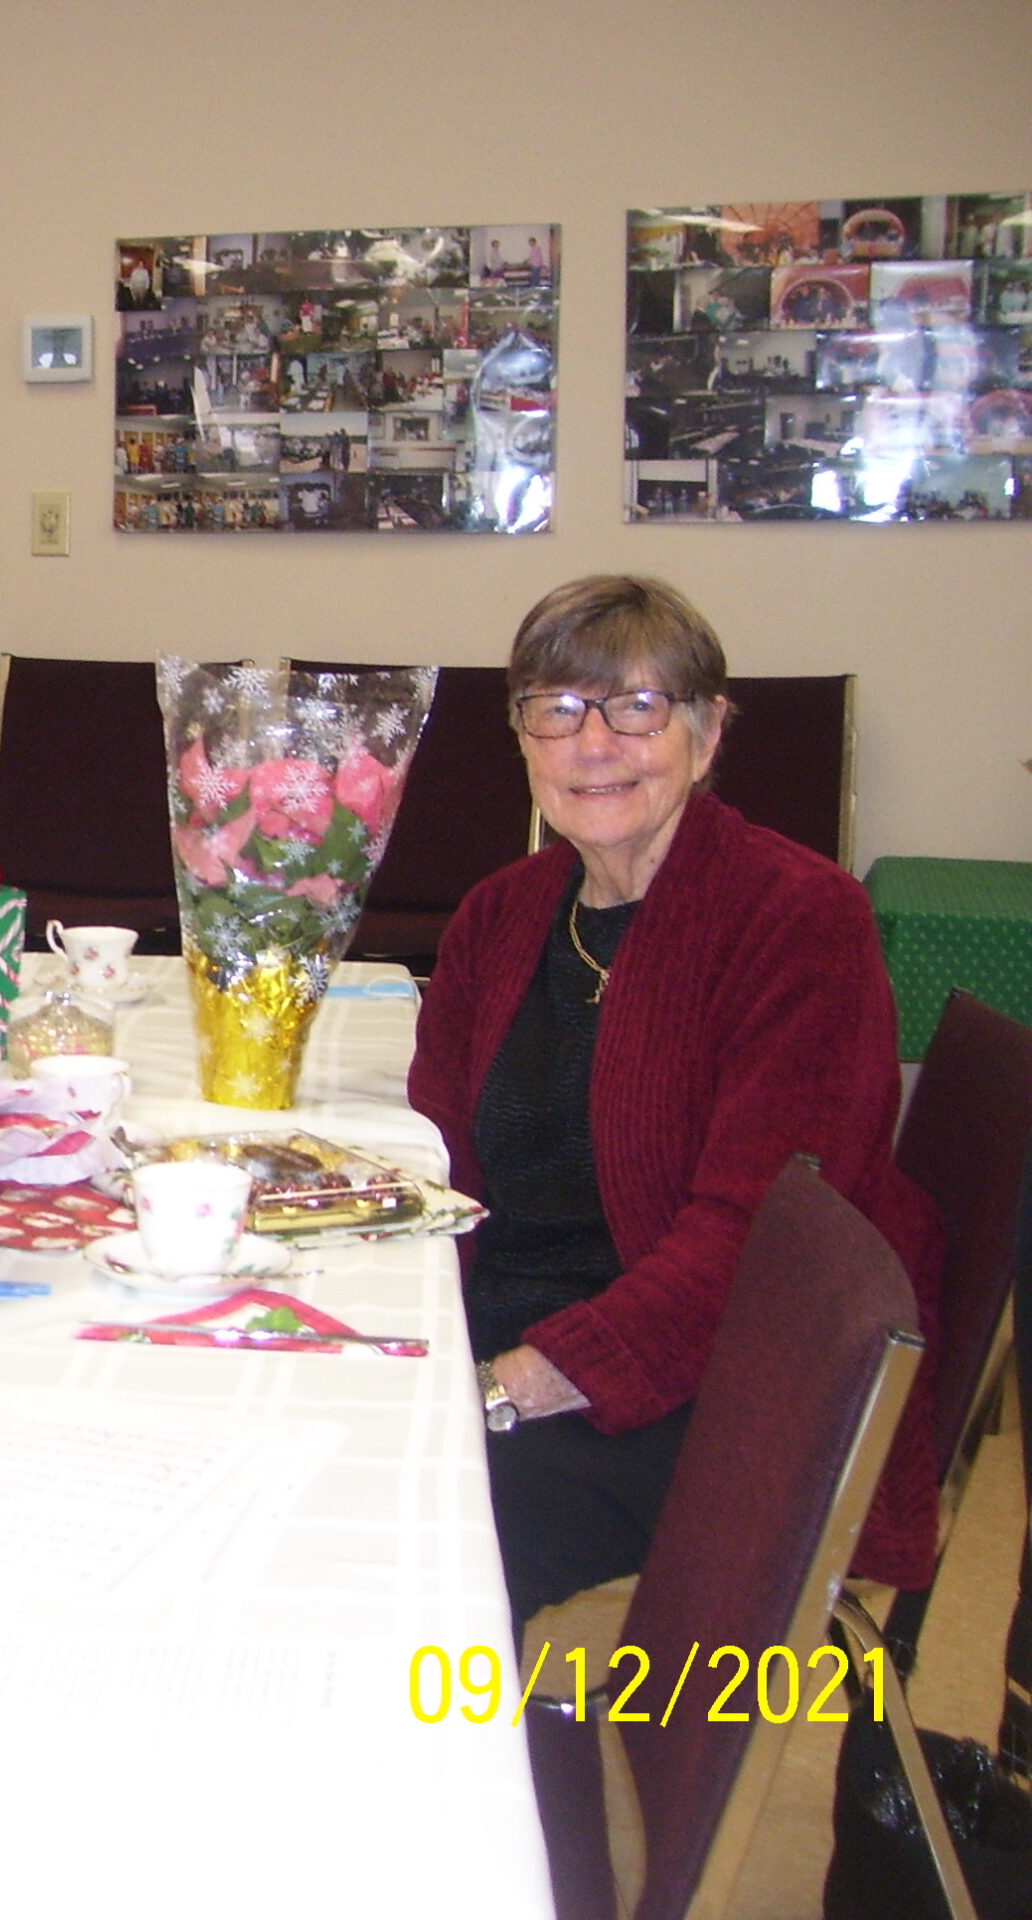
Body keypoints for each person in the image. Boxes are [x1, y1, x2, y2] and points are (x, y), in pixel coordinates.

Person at [410, 575, 941, 1629]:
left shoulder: (798, 921)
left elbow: (754, 1244)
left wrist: (500, 1389)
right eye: (557, 709)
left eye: (637, 707)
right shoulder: (499, 917)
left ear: (707, 734)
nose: (591, 743)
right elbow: (438, 1169)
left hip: (705, 1383)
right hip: (507, 1332)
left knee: (414, 1534)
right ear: (521, 739)